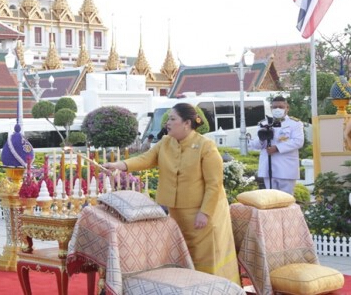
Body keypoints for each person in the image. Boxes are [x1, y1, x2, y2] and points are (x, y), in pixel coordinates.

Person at [103, 103, 240, 285]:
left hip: (204, 214)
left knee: (206, 259)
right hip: (177, 213)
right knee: (182, 257)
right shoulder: (165, 143)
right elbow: (146, 159)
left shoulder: (206, 146)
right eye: (168, 119)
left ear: (187, 123)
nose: (168, 123)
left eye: (173, 119)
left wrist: (205, 212)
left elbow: (214, 184)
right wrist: (120, 165)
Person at [248, 95, 304, 195]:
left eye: (281, 107)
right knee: (270, 199)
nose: (277, 109)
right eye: (275, 107)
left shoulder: (295, 123)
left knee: (286, 199)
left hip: (286, 168)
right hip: (268, 168)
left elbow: (298, 141)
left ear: (287, 108)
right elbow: (255, 145)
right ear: (271, 108)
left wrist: (277, 148)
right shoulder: (263, 123)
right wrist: (261, 139)